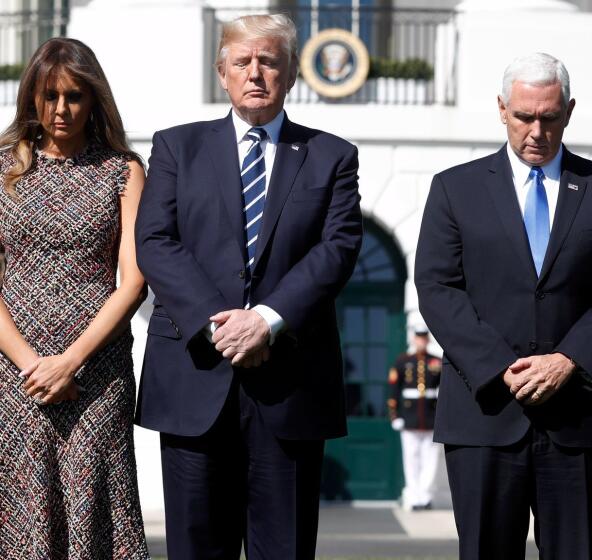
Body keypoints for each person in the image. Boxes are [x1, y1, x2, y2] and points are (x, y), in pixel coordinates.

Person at [134, 14, 363, 560]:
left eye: (269, 61)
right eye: (243, 62)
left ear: (289, 73)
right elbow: (156, 242)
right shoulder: (176, 148)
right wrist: (223, 323)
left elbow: (337, 249)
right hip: (196, 379)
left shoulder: (332, 156)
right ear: (223, 73)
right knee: (195, 549)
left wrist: (265, 320)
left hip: (289, 384)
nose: (255, 73)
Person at [415, 52, 592, 560]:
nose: (537, 130)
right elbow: (438, 289)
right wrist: (503, 368)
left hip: (581, 419)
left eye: (549, 117)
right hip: (485, 414)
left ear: (568, 111)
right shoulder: (454, 189)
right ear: (502, 109)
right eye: (524, 116)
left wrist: (568, 361)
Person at [0, 38, 148, 558]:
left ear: (94, 101)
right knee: (23, 509)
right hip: (15, 373)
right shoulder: (3, 169)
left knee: (96, 508)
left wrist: (71, 362)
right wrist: (32, 366)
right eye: (49, 96)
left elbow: (133, 281)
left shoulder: (123, 171)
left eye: (74, 97)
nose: (61, 110)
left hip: (98, 370)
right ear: (32, 99)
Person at [387, 326, 441, 511]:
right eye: (418, 338)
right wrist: (395, 415)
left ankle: (425, 496)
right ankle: (413, 495)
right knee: (411, 457)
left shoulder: (436, 361)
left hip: (430, 416)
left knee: (430, 458)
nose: (421, 342)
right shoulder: (403, 361)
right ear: (413, 339)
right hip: (409, 417)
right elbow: (394, 389)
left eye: (424, 338)